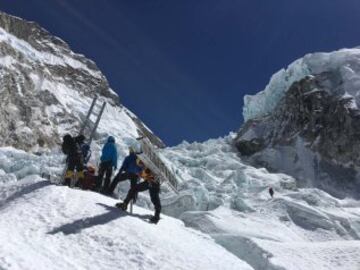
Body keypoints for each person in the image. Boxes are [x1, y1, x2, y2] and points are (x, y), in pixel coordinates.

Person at [116, 160, 162, 224]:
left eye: (140, 163)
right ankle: (125, 204)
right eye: (139, 164)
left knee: (155, 199)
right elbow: (147, 175)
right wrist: (141, 174)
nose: (140, 165)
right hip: (151, 183)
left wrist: (141, 174)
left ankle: (157, 216)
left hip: (153, 183)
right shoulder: (145, 168)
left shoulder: (147, 168)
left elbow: (150, 176)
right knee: (154, 199)